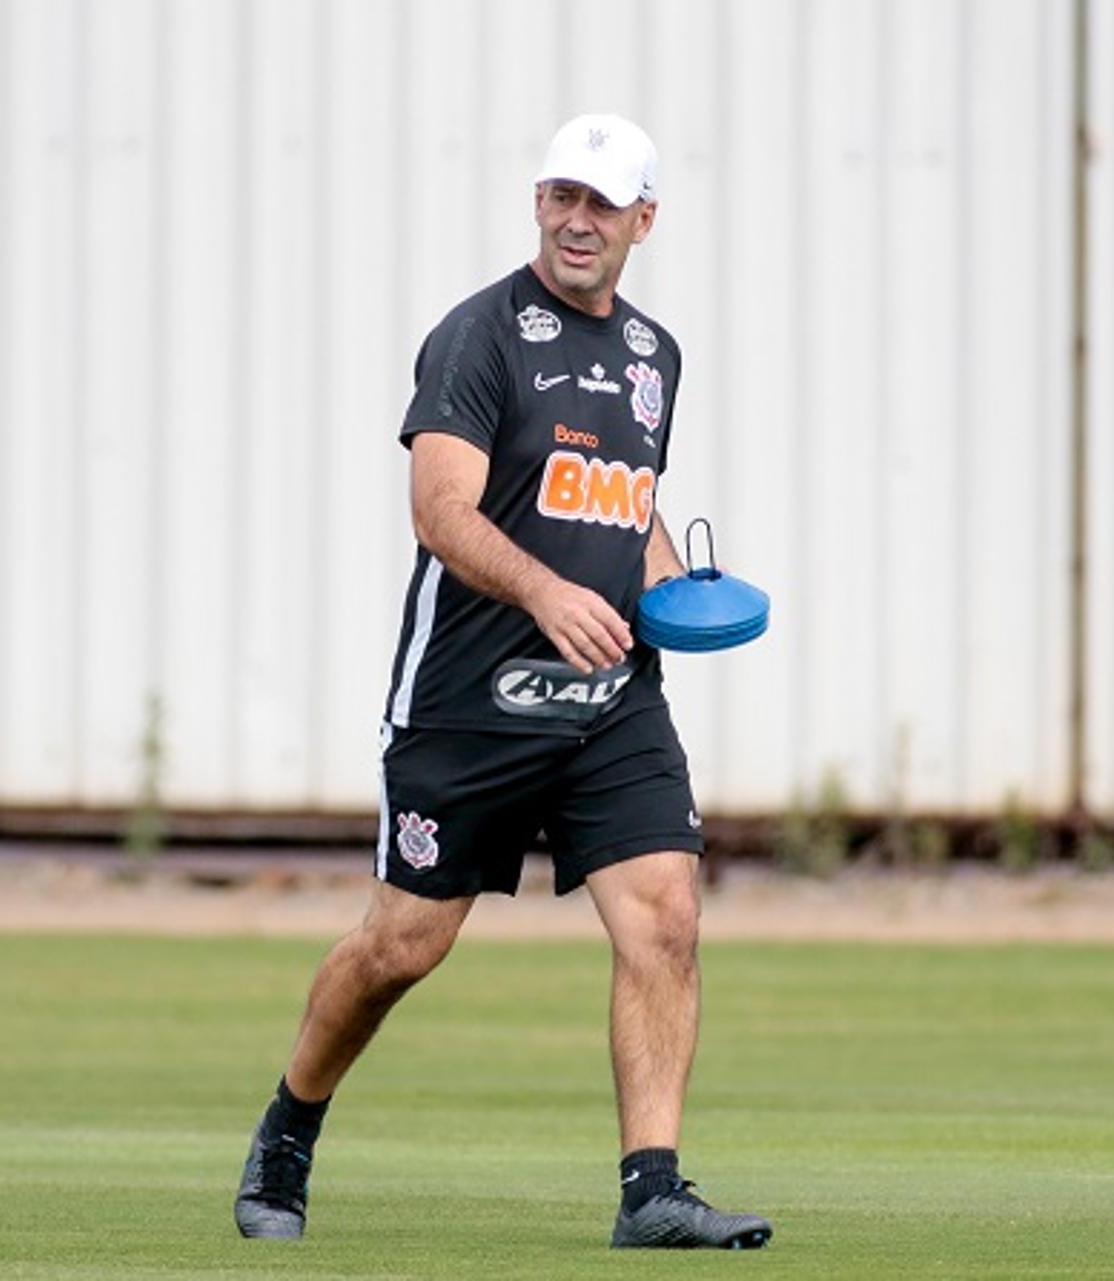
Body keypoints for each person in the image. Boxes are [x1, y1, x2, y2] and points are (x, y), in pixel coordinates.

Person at [234, 113, 773, 1250]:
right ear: (538, 200)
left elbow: (623, 504)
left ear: (645, 220)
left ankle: (653, 1190)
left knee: (667, 919)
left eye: (602, 202)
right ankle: (289, 1126)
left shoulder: (652, 357)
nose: (578, 221)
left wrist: (673, 584)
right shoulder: (479, 336)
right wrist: (543, 593)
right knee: (401, 948)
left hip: (607, 699)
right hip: (469, 702)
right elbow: (441, 508)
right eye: (560, 196)